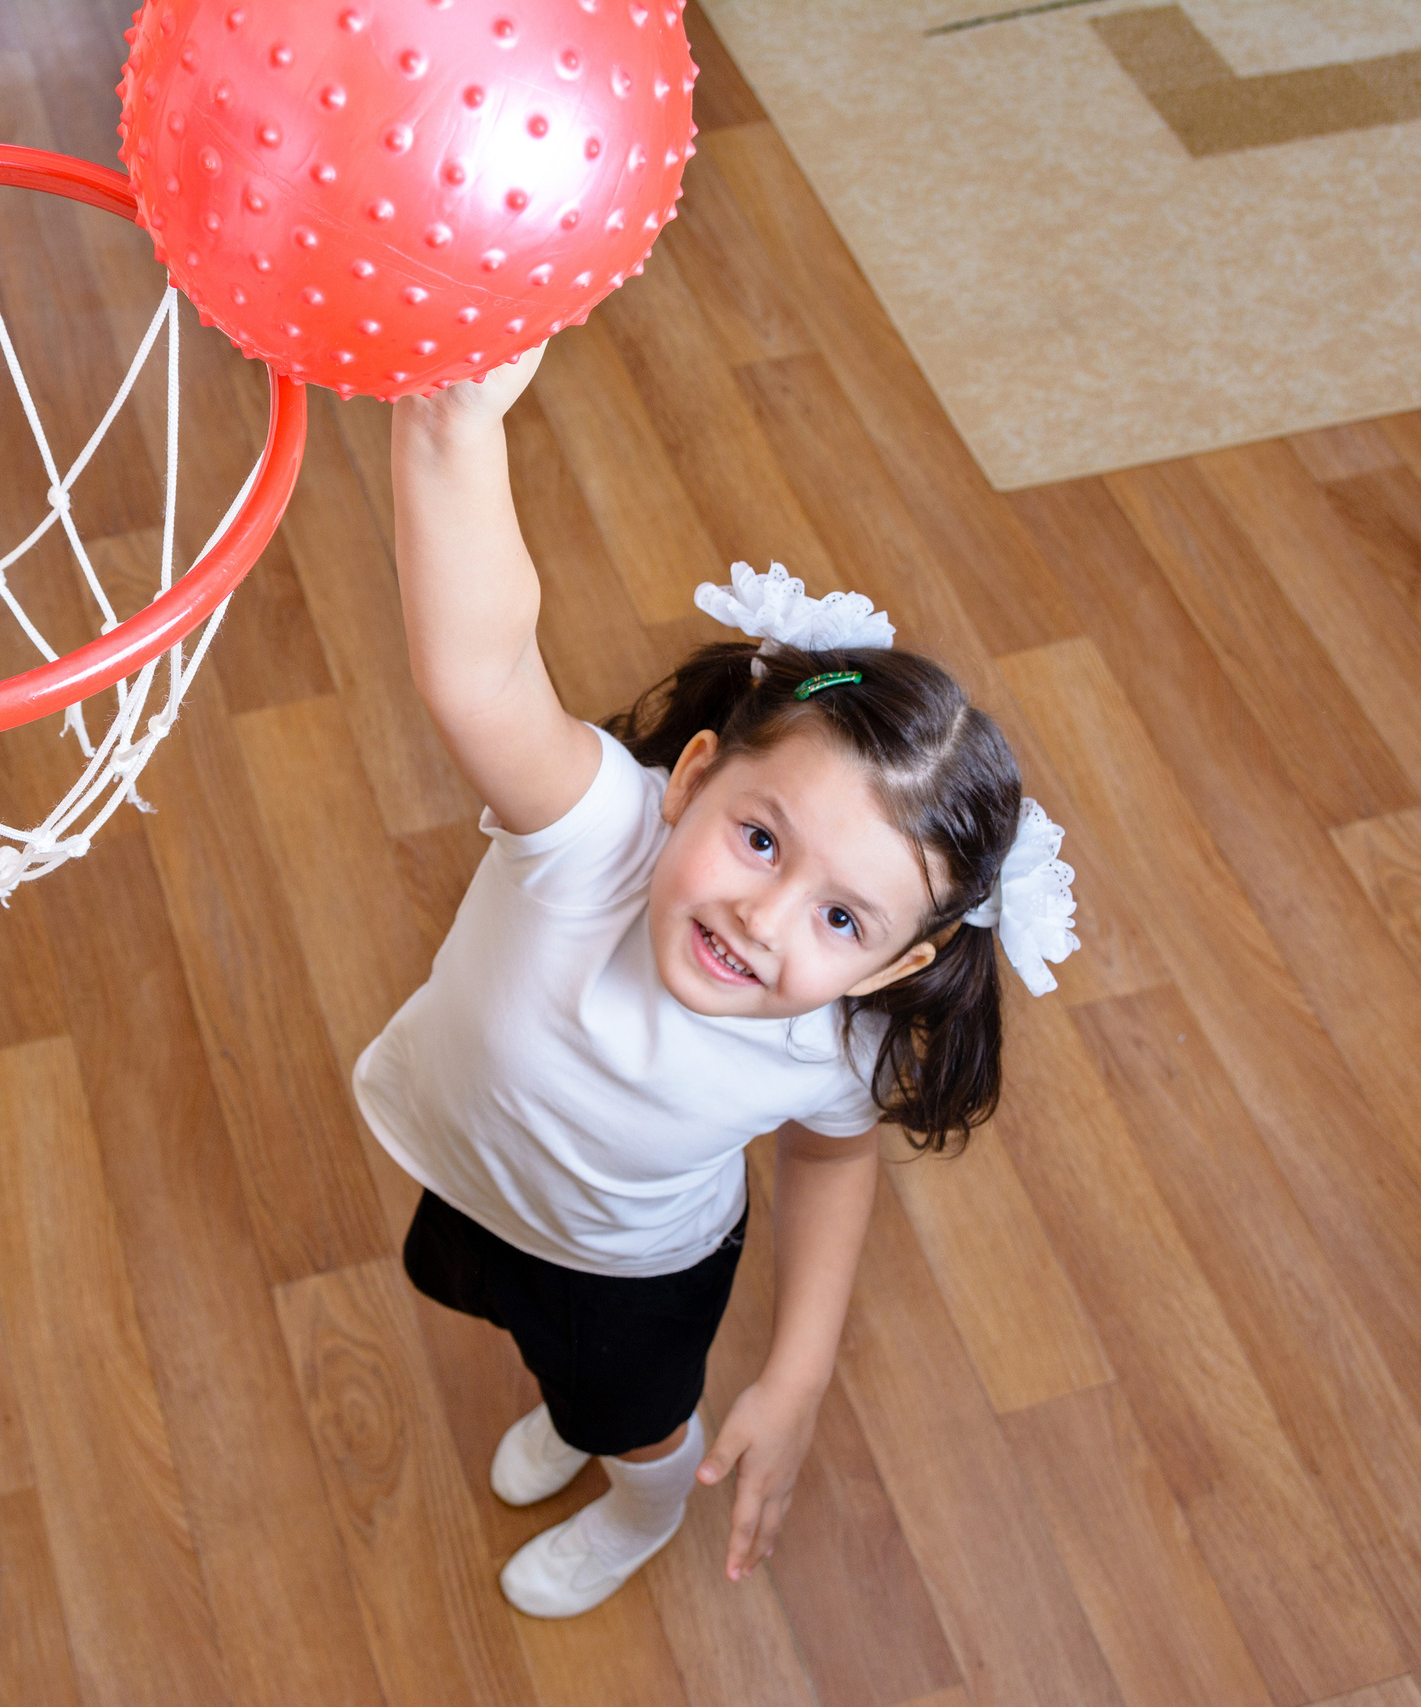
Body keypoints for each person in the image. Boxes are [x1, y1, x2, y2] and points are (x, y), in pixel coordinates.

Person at [355, 343, 1080, 1618]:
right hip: (477, 1180)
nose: (761, 912)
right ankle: (578, 1424)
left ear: (899, 964)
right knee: (509, 1326)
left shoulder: (835, 1041)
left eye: (841, 914)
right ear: (687, 780)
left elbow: (832, 1159)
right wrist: (454, 431)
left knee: (628, 1415)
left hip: (630, 1273)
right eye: (759, 838)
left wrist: (794, 1375)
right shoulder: (592, 835)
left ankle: (639, 1501)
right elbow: (477, 669)